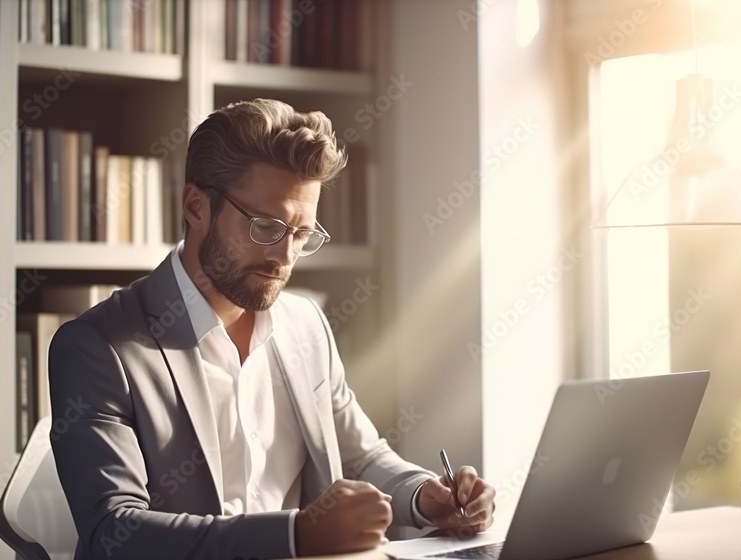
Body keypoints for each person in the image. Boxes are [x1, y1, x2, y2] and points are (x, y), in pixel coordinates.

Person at [48, 98, 496, 560]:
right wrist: (297, 536)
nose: (284, 257)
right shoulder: (97, 347)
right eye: (266, 227)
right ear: (196, 207)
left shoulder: (306, 326)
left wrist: (425, 497)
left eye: (301, 235)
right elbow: (113, 530)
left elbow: (359, 457)